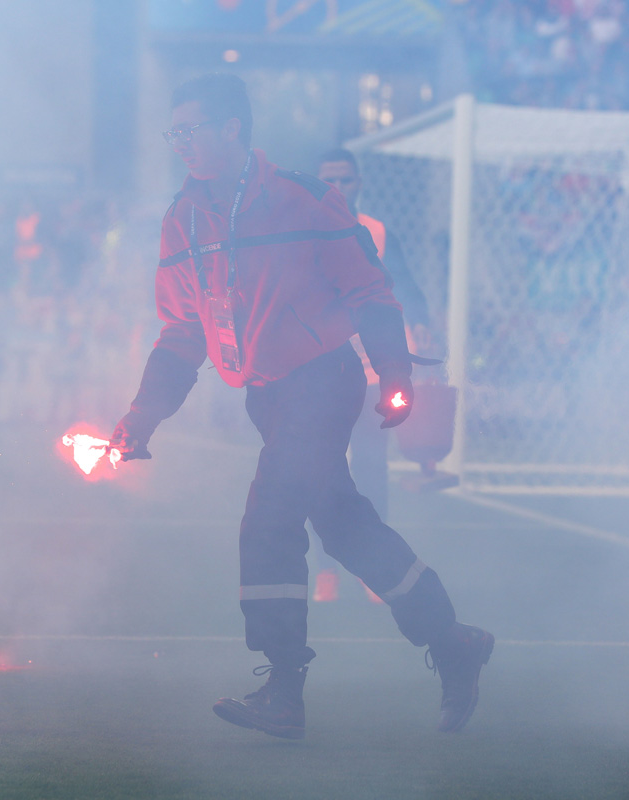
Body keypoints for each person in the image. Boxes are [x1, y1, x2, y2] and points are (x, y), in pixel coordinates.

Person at [107, 74, 493, 738]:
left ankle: (285, 690)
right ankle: (453, 640)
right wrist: (144, 413)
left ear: (233, 128)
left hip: (323, 380)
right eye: (175, 134)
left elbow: (370, 290)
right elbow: (182, 331)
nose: (182, 145)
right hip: (268, 396)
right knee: (342, 526)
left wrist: (397, 371)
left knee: (269, 519)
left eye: (192, 130)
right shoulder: (182, 220)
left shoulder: (305, 199)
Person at [310, 148, 434, 603]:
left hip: (370, 371)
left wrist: (421, 319)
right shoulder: (304, 233)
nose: (338, 188)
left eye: (346, 180)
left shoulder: (378, 232)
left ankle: (371, 571)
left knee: (370, 471)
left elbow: (405, 283)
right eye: (330, 180)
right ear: (319, 184)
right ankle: (327, 569)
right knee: (321, 470)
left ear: (359, 183)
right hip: (320, 371)